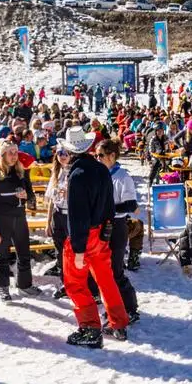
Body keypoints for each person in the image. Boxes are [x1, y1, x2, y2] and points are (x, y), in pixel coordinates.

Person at [61, 127, 129, 348]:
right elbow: (110, 206)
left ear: (69, 151)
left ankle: (90, 328)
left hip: (84, 236)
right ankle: (118, 323)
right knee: (106, 279)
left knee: (75, 284)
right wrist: (106, 230)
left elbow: (78, 215)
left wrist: (79, 248)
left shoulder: (77, 175)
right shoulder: (101, 169)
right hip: (101, 233)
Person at [91, 140, 140, 323]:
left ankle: (130, 308)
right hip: (101, 225)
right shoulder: (99, 174)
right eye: (95, 155)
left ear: (112, 155)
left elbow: (131, 205)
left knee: (115, 269)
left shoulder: (122, 176)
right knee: (103, 270)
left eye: (101, 155)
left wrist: (106, 209)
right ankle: (112, 307)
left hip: (117, 225)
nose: (97, 159)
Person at [0, 142, 40, 300]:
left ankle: (24, 285)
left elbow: (31, 197)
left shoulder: (22, 172)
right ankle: (3, 288)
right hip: (2, 219)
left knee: (24, 253)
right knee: (2, 255)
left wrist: (27, 197)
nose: (13, 155)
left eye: (15, 152)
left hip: (19, 217)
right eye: (10, 152)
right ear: (2, 155)